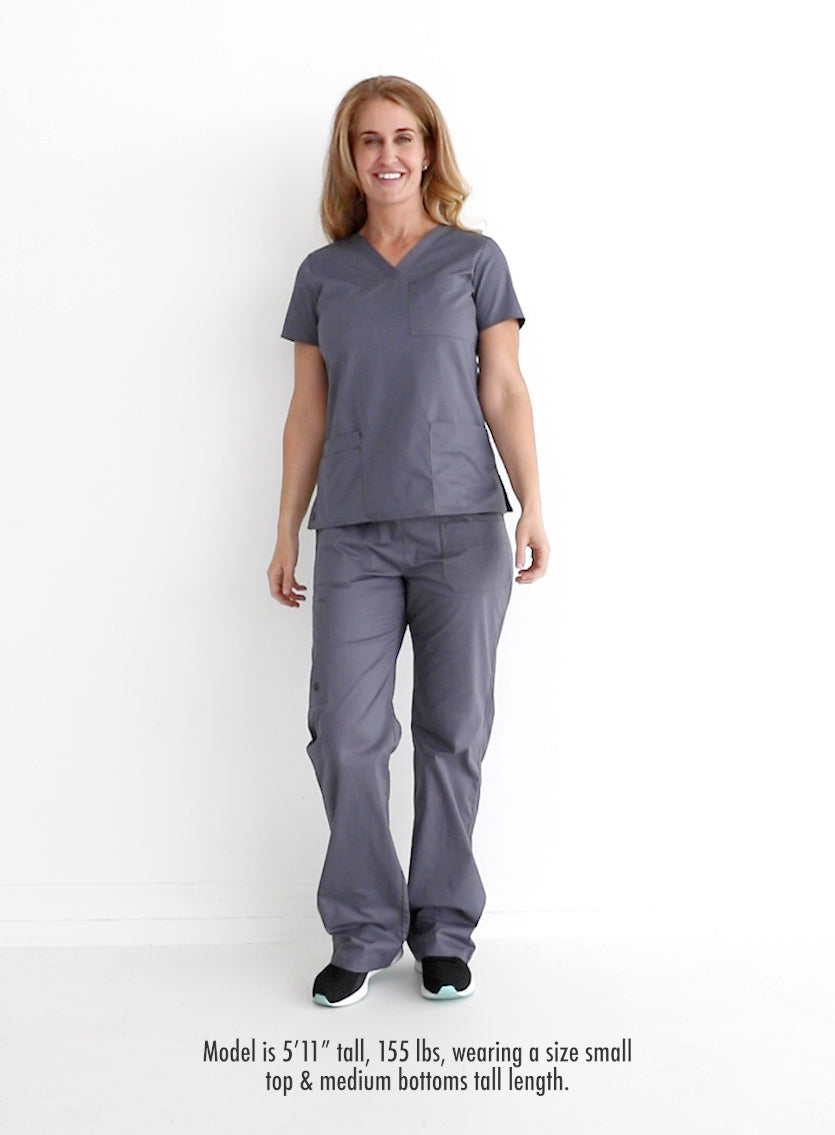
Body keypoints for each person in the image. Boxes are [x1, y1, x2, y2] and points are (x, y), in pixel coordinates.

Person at [267, 76, 549, 1006]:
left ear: (428, 151)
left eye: (402, 138)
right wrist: (284, 530)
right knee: (346, 738)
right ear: (349, 158)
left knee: (452, 732)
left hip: (463, 528)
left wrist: (533, 504)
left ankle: (443, 931)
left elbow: (502, 387)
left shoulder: (475, 260)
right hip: (354, 534)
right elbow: (307, 411)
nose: (386, 155)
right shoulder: (324, 274)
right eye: (368, 140)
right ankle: (361, 928)